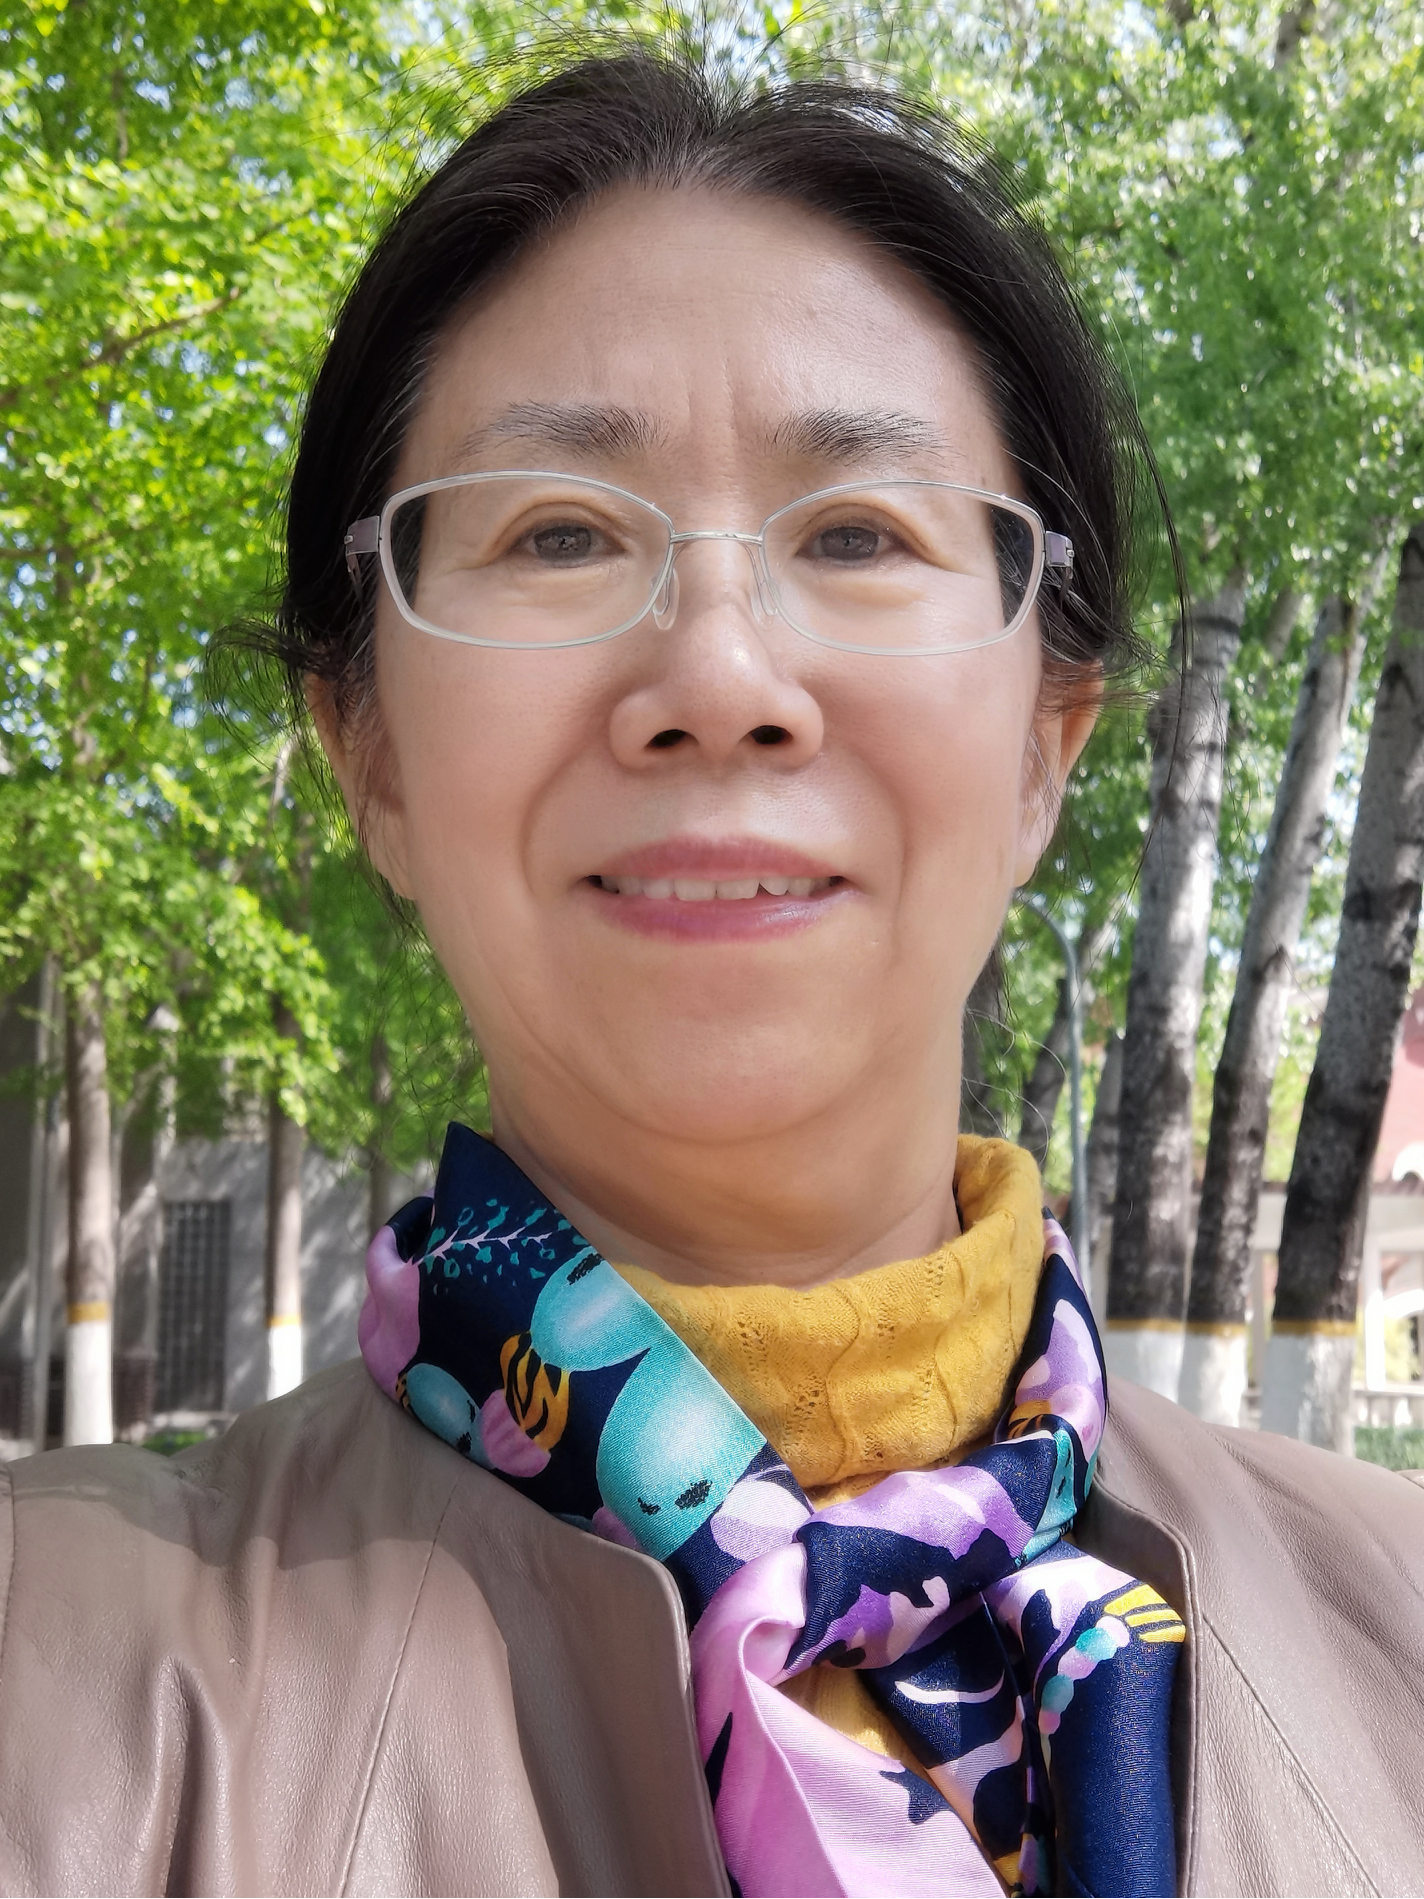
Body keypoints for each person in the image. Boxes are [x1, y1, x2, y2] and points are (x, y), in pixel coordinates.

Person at [0, 48, 1419, 1899]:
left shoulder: (1400, 1621)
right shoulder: (62, 1668)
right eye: (559, 532)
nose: (722, 677)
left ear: (1046, 749)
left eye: (860, 533)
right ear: (371, 754)